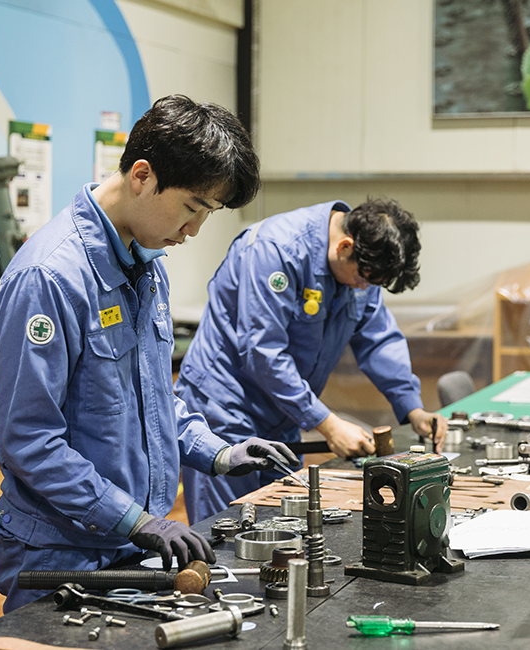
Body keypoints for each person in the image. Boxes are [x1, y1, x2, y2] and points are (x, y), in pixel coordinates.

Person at [0, 95, 298, 612]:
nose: (194, 230)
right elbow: (29, 440)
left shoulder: (146, 269)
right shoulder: (50, 278)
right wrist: (136, 519)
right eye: (193, 207)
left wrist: (218, 452)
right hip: (63, 554)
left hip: (129, 548)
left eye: (209, 214)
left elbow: (152, 402)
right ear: (141, 175)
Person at [174, 198, 448, 524]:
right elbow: (263, 353)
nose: (365, 286)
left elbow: (378, 339)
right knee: (226, 534)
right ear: (345, 246)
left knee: (283, 527)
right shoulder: (275, 250)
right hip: (226, 410)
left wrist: (412, 407)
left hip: (282, 412)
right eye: (364, 278)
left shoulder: (363, 264)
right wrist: (328, 424)